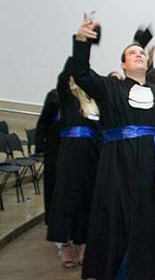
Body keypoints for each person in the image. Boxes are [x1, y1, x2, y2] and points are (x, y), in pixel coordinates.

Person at [72, 13, 155, 280]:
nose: (138, 54)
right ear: (123, 65)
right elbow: (82, 74)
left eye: (141, 53)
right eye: (132, 53)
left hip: (151, 170)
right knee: (113, 223)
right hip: (115, 169)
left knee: (145, 228)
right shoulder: (111, 88)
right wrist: (82, 42)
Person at [46, 57, 101, 268]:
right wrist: (79, 55)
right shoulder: (66, 96)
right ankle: (66, 243)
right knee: (67, 198)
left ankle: (83, 242)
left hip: (91, 154)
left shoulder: (94, 102)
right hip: (70, 153)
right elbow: (63, 78)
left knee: (87, 199)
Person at [35, 87, 62, 226]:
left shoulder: (82, 95)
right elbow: (43, 121)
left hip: (71, 147)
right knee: (52, 182)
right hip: (54, 146)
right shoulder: (54, 95)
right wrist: (39, 145)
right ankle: (51, 218)